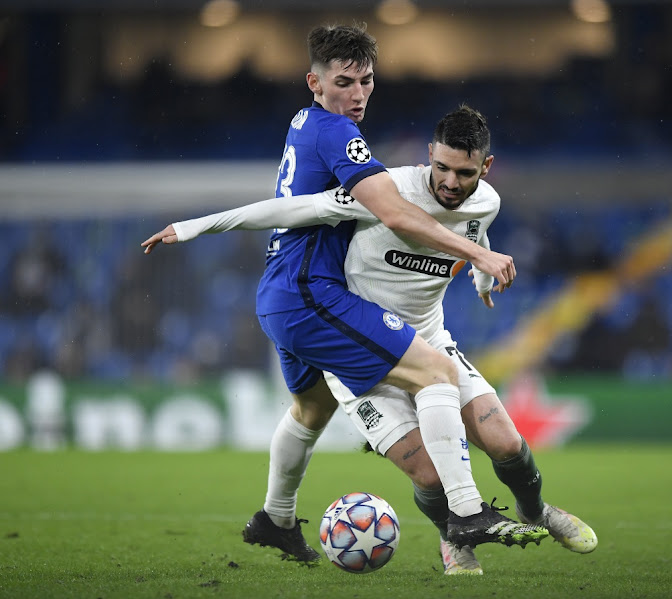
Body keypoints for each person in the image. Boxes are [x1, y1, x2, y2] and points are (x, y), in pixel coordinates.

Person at [142, 24, 543, 563]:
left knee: (311, 409)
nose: (357, 95)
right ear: (315, 82)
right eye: (344, 82)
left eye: (367, 82)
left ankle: (275, 518)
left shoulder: (304, 124)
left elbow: (293, 208)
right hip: (312, 293)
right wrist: (478, 256)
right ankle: (468, 513)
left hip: (281, 292)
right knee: (438, 371)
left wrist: (195, 225)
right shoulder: (336, 134)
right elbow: (396, 212)